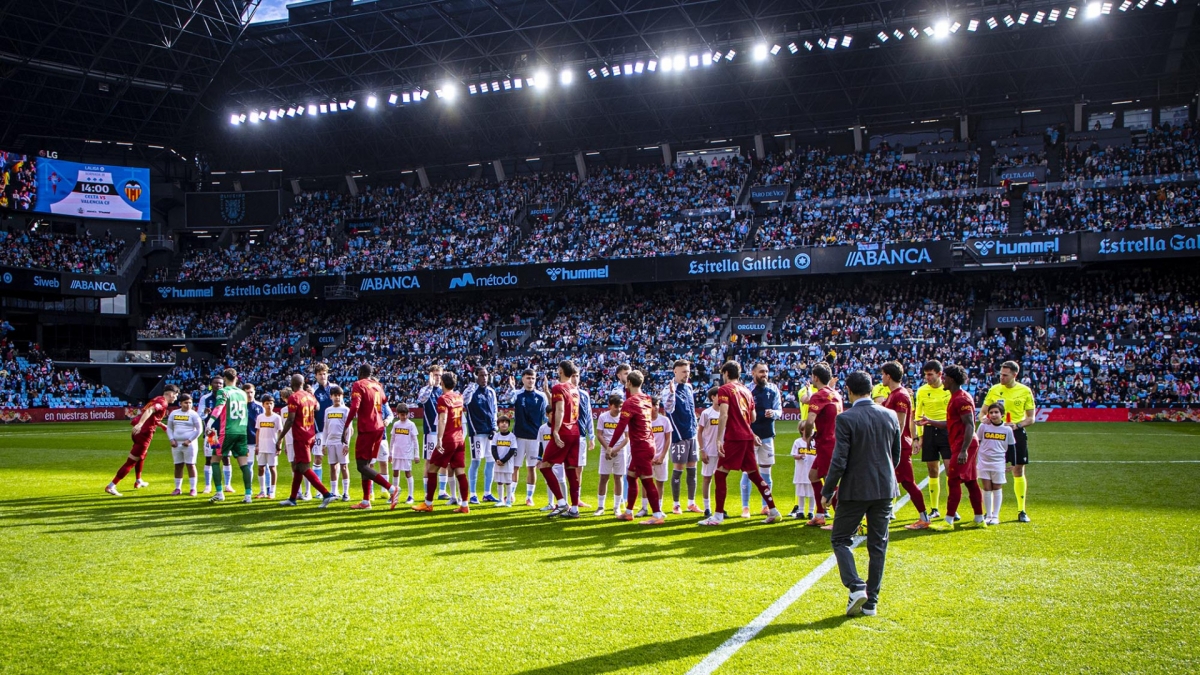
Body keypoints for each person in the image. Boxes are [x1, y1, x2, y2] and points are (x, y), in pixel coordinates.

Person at [822, 371, 901, 618]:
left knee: (840, 539)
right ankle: (871, 603)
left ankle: (856, 586)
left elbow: (839, 460)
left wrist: (828, 490)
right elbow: (895, 455)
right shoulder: (889, 415)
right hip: (884, 488)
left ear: (849, 391)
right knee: (878, 545)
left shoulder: (846, 418)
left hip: (856, 489)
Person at [697, 361, 782, 526]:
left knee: (720, 474)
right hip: (747, 437)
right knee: (755, 475)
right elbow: (753, 417)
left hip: (735, 437)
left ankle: (718, 515)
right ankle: (773, 510)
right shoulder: (746, 390)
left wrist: (719, 438)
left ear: (726, 374)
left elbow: (724, 414)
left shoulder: (725, 389)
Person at [918, 365, 985, 530]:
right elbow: (952, 424)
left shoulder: (961, 399)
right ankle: (979, 518)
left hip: (964, 445)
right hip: (961, 444)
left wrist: (963, 450)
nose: (943, 380)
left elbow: (970, 425)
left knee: (953, 480)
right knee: (970, 481)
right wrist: (930, 422)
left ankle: (948, 521)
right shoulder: (955, 397)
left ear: (952, 379)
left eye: (945, 377)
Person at [608, 370, 666, 524]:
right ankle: (628, 512)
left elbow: (621, 426)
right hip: (647, 443)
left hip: (640, 446)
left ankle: (658, 515)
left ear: (629, 383)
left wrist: (611, 446)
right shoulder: (646, 398)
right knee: (631, 476)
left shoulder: (629, 403)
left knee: (647, 480)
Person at [981, 360, 1036, 523]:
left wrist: (1017, 425)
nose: (1001, 377)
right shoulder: (994, 390)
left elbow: (1031, 418)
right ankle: (989, 513)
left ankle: (1021, 510)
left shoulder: (1025, 391)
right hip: (994, 435)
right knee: (990, 473)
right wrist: (985, 419)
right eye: (1000, 374)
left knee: (1018, 471)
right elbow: (982, 412)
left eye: (1005, 375)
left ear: (1015, 375)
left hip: (1016, 434)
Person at [342, 365, 400, 510]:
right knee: (366, 465)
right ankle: (366, 501)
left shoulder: (358, 384)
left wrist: (346, 426)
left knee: (361, 465)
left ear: (360, 373)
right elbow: (385, 401)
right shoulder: (378, 386)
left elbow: (355, 406)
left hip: (367, 428)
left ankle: (392, 489)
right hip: (379, 428)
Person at [880, 362, 930, 529]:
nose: (881, 378)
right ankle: (884, 514)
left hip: (898, 446)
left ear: (888, 375)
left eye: (883, 374)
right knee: (888, 480)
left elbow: (900, 425)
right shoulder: (894, 394)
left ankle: (924, 517)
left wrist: (892, 445)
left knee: (907, 482)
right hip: (895, 445)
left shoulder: (900, 395)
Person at [276, 374, 338, 508]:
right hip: (311, 434)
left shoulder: (294, 397)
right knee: (298, 467)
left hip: (301, 436)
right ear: (303, 383)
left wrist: (280, 438)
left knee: (304, 467)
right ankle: (292, 498)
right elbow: (317, 408)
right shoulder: (310, 396)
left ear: (292, 384)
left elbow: (291, 419)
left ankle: (326, 494)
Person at [414, 372, 470, 513]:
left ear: (442, 384)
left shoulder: (443, 399)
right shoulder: (459, 397)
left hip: (448, 439)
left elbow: (443, 419)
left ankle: (428, 503)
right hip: (459, 438)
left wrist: (439, 439)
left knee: (432, 469)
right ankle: (464, 505)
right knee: (460, 472)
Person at [203, 369, 255, 504]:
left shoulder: (223, 391)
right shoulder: (243, 393)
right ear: (236, 378)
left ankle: (219, 492)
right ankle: (248, 495)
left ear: (225, 379)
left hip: (224, 431)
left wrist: (209, 423)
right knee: (244, 464)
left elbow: (219, 408)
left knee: (214, 460)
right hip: (241, 432)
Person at [800, 363, 842, 528]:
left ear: (815, 377)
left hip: (826, 444)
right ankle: (819, 514)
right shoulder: (836, 394)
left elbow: (810, 421)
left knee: (830, 481)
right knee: (813, 476)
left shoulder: (819, 395)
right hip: (834, 441)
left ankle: (840, 519)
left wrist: (808, 435)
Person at [540, 361, 583, 518]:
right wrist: (547, 393)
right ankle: (575, 508)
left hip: (564, 431)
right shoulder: (574, 389)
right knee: (571, 471)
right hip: (575, 431)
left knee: (544, 466)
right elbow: (562, 404)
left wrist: (556, 431)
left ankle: (561, 502)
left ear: (560, 370)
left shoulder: (559, 387)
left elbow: (560, 409)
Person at [661, 359, 700, 514]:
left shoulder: (689, 387)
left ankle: (691, 503)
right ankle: (676, 504)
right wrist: (671, 394)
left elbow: (691, 409)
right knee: (678, 469)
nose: (686, 374)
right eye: (684, 371)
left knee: (693, 469)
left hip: (692, 434)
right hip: (679, 436)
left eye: (688, 371)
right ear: (675, 371)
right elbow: (669, 408)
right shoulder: (668, 389)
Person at [743, 362, 782, 518]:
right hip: (750, 437)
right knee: (747, 472)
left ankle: (766, 505)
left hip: (767, 435)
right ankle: (745, 507)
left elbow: (779, 410)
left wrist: (773, 413)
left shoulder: (773, 389)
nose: (764, 374)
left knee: (766, 472)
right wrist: (750, 433)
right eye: (761, 371)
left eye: (766, 371)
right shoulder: (747, 390)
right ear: (753, 373)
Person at [914, 360, 951, 521]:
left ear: (939, 374)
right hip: (929, 431)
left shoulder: (948, 390)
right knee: (932, 470)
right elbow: (918, 415)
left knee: (951, 470)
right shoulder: (922, 391)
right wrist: (919, 437)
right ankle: (934, 508)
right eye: (925, 375)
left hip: (946, 431)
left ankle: (952, 508)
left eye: (930, 374)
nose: (927, 378)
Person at [509, 368, 547, 506]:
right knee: (515, 467)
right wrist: (512, 388)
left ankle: (529, 497)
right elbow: (508, 399)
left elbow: (545, 416)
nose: (531, 380)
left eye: (533, 378)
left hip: (534, 437)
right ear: (523, 379)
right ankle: (511, 494)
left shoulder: (541, 396)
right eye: (528, 378)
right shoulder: (517, 394)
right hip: (518, 436)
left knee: (532, 467)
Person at [463, 366, 499, 504]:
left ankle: (487, 493)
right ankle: (472, 494)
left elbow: (494, 410)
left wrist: (494, 427)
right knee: (476, 462)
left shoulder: (491, 391)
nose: (484, 378)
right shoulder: (471, 391)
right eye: (481, 375)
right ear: (475, 376)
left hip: (490, 432)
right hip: (476, 432)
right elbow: (464, 400)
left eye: (486, 375)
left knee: (490, 462)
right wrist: (472, 385)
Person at [976, 403, 1016, 525]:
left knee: (997, 488)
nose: (993, 415)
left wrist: (1013, 464)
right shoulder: (983, 427)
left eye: (996, 412)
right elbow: (977, 442)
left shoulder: (1007, 429)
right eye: (991, 412)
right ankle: (988, 515)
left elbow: (1011, 447)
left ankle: (995, 516)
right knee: (986, 488)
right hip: (983, 461)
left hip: (998, 462)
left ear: (1002, 414)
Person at [416, 364, 447, 500]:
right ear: (430, 375)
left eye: (439, 375)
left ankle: (442, 491)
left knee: (445, 461)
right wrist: (429, 385)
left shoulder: (444, 391)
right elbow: (420, 400)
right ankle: (427, 492)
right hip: (430, 432)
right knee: (429, 461)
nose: (437, 378)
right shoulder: (425, 390)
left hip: (444, 431)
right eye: (435, 375)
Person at [594, 394, 628, 515]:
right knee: (604, 477)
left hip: (620, 451)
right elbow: (599, 434)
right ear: (610, 405)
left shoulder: (624, 418)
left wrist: (615, 449)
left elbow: (626, 438)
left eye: (621, 407)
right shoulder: (603, 417)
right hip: (606, 450)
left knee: (618, 478)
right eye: (616, 407)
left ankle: (617, 507)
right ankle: (600, 507)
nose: (619, 409)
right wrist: (608, 448)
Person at [643, 398, 675, 518]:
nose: (655, 407)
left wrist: (662, 456)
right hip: (648, 457)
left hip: (661, 457)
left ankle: (659, 508)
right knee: (646, 482)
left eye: (656, 405)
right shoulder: (644, 421)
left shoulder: (665, 420)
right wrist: (648, 457)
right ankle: (644, 507)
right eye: (652, 405)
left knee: (660, 483)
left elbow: (668, 439)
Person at [198, 376, 229, 494]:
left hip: (225, 432)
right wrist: (205, 413)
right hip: (212, 433)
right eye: (216, 383)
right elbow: (199, 416)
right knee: (209, 459)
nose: (218, 385)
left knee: (226, 458)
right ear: (211, 384)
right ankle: (207, 485)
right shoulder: (205, 398)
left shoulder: (227, 397)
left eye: (221, 383)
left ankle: (227, 485)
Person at [166, 393, 202, 496]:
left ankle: (193, 489)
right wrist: (171, 439)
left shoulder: (194, 414)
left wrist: (189, 440)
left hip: (189, 444)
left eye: (190, 402)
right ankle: (177, 488)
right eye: (186, 403)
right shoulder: (174, 413)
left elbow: (199, 430)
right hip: (176, 444)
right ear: (180, 403)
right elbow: (169, 428)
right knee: (178, 466)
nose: (188, 405)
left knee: (190, 465)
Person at [321, 386, 352, 501]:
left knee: (344, 467)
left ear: (342, 396)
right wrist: (323, 444)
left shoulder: (346, 410)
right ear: (331, 397)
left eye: (339, 395)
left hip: (341, 442)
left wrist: (346, 444)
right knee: (332, 467)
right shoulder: (328, 410)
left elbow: (349, 429)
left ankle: (346, 493)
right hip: (330, 442)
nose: (337, 397)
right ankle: (334, 492)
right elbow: (325, 428)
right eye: (335, 395)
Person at [311, 363, 336, 501]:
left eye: (324, 373)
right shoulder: (313, 390)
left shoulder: (334, 388)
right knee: (318, 458)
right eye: (320, 374)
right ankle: (318, 490)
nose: (322, 376)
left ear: (328, 374)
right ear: (316, 376)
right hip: (319, 430)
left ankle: (334, 490)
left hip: (333, 430)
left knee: (335, 461)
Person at [697, 387, 721, 517]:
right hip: (709, 450)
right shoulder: (707, 413)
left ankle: (719, 508)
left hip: (722, 452)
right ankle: (707, 508)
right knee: (707, 479)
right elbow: (699, 432)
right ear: (713, 397)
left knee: (721, 480)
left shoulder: (725, 413)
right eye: (719, 396)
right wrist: (702, 450)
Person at [572, 371, 594, 511]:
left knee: (579, 469)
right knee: (563, 469)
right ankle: (561, 499)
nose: (575, 379)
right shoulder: (563, 393)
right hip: (566, 437)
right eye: (573, 376)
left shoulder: (584, 395)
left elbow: (589, 416)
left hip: (580, 436)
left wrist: (591, 436)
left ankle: (576, 498)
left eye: (577, 376)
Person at [253, 396, 282, 499]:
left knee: (272, 468)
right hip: (261, 447)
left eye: (271, 403)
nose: (269, 405)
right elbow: (258, 431)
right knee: (261, 468)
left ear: (273, 404)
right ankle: (262, 491)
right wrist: (257, 445)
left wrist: (279, 445)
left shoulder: (276, 417)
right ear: (263, 405)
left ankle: (272, 491)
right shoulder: (260, 417)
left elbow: (280, 432)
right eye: (267, 403)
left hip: (272, 446)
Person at [491, 415, 519, 506]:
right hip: (498, 463)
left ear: (509, 425)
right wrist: (497, 459)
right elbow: (493, 448)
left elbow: (512, 450)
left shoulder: (512, 436)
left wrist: (503, 460)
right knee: (499, 481)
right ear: (498, 425)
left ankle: (508, 501)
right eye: (502, 422)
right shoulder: (496, 436)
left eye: (506, 422)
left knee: (508, 481)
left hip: (507, 463)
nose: (504, 424)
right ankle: (500, 500)